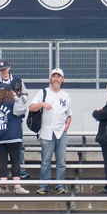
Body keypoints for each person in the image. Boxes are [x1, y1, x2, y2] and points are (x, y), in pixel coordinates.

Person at [0, 59, 30, 178]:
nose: (3, 71)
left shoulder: (17, 80)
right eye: (1, 70)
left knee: (19, 148)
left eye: (5, 69)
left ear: (9, 68)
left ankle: (20, 172)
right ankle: (2, 176)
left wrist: (16, 100)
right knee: (1, 152)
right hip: (0, 120)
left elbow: (25, 95)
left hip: (15, 120)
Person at [29, 67, 72, 195]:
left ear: (62, 79)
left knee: (61, 162)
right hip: (46, 131)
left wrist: (66, 126)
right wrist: (42, 104)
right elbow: (31, 107)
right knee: (46, 161)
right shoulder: (43, 92)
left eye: (59, 76)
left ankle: (60, 185)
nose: (56, 79)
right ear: (50, 79)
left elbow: (69, 114)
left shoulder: (66, 95)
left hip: (61, 132)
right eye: (54, 76)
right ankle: (44, 185)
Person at [0, 88, 28, 193]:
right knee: (15, 161)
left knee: (2, 161)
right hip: (13, 136)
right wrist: (16, 97)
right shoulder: (12, 102)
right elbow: (22, 111)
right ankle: (17, 186)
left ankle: (3, 186)